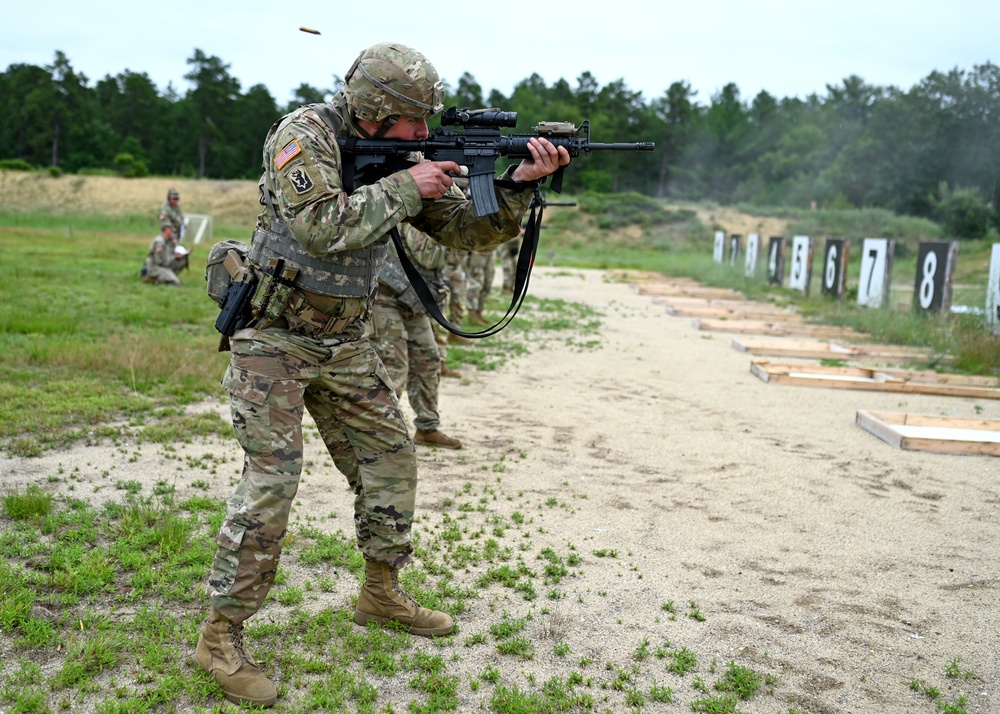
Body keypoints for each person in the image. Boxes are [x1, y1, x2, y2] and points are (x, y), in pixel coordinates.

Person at [194, 41, 570, 707]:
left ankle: (380, 591)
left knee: (390, 458)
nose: (425, 136)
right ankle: (221, 636)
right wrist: (407, 185)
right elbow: (317, 227)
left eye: (429, 124)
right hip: (272, 337)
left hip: (344, 341)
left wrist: (517, 186)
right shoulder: (303, 136)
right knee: (272, 483)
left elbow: (464, 230)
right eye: (414, 123)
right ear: (373, 112)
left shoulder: (403, 154)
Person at [372, 223, 461, 449]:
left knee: (429, 360)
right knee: (394, 366)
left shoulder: (438, 211)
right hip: (385, 295)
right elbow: (428, 255)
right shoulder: (413, 210)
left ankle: (427, 427)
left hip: (413, 297)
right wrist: (457, 234)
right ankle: (380, 433)